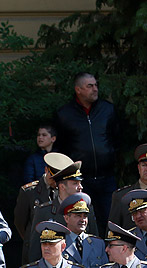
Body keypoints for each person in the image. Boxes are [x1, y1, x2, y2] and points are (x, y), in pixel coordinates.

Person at [53, 72, 120, 227]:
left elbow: (116, 138)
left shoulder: (108, 110)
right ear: (78, 89)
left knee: (109, 220)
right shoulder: (64, 114)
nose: (95, 89)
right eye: (90, 86)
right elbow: (62, 146)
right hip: (81, 180)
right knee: (82, 221)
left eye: (96, 85)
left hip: (106, 177)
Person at [25, 161, 99, 263]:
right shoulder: (43, 211)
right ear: (62, 186)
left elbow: (95, 244)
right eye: (75, 183)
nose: (80, 187)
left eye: (80, 183)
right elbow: (35, 250)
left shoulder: (87, 208)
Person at [13, 152, 71, 244]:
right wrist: (31, 240)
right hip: (35, 244)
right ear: (46, 170)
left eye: (59, 180)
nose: (56, 183)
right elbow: (20, 222)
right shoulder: (29, 192)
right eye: (53, 178)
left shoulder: (65, 191)